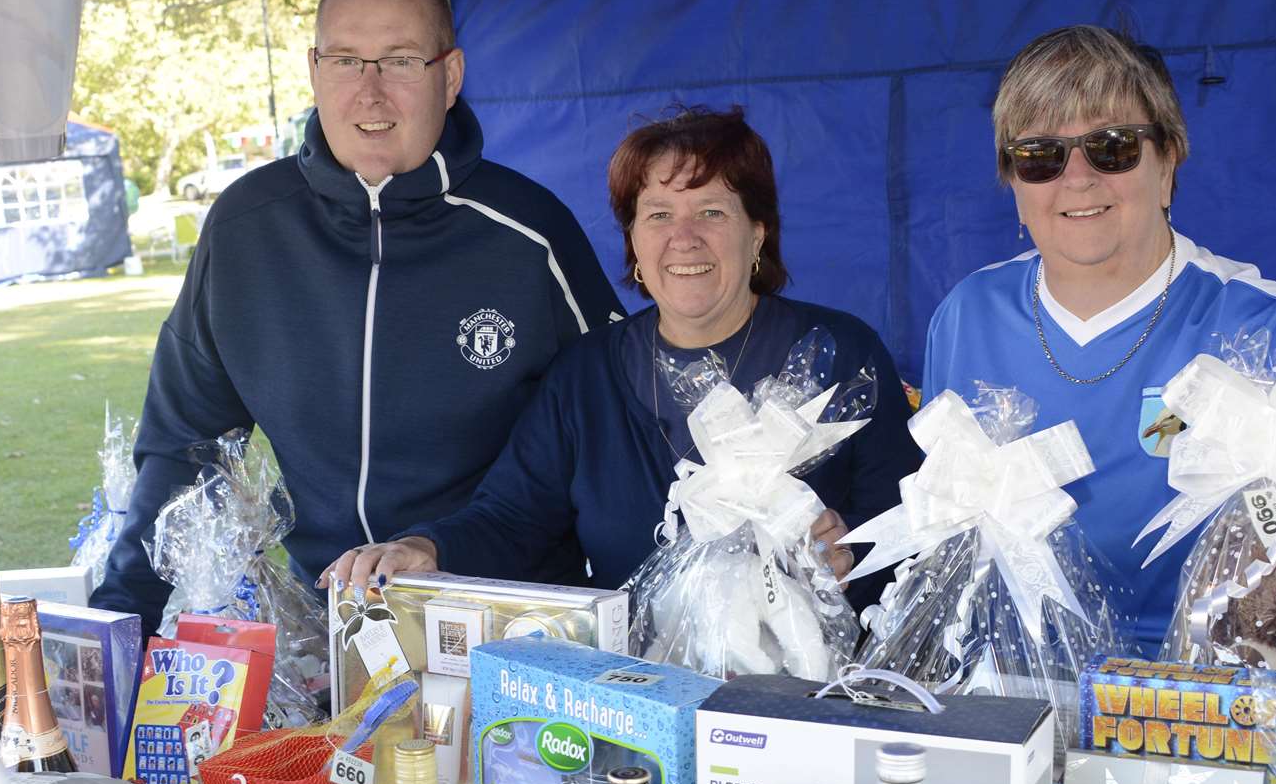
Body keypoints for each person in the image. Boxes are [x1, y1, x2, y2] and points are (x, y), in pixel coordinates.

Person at [921, 25, 1276, 722]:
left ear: (1169, 161)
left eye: (1112, 147)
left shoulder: (1255, 321)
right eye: (1039, 155)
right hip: (1010, 692)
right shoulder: (967, 314)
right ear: (1012, 180)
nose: (1077, 177)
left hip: (1200, 703)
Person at [91, 0, 623, 636]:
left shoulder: (529, 231)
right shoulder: (246, 226)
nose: (369, 95)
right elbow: (180, 447)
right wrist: (115, 627)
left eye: (400, 61)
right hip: (330, 624)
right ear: (314, 71)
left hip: (512, 623)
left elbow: (614, 433)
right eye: (345, 61)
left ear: (449, 76)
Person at [323, 106, 919, 604]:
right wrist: (425, 548)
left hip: (804, 694)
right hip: (631, 696)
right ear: (633, 241)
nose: (683, 238)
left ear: (758, 231)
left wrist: (850, 552)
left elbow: (907, 531)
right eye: (658, 215)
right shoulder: (585, 377)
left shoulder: (839, 356)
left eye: (712, 211)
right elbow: (512, 518)